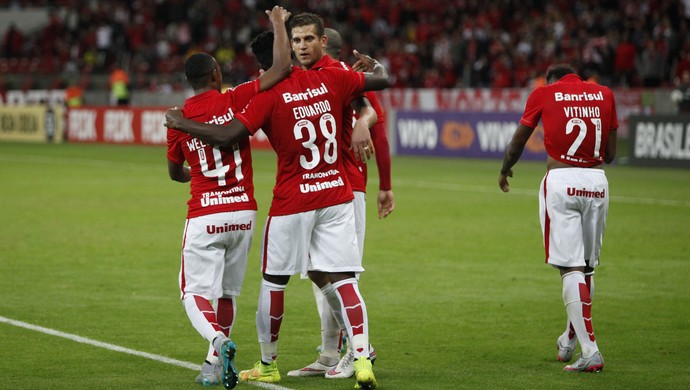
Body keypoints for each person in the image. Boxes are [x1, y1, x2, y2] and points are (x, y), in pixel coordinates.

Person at [164, 12, 390, 390]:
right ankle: (363, 357)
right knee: (344, 279)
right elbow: (379, 82)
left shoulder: (266, 93)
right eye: (296, 41)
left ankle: (268, 363)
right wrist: (375, 68)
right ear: (292, 48)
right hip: (336, 193)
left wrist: (180, 122)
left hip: (292, 199)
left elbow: (229, 134)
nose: (301, 47)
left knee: (274, 283)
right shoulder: (330, 77)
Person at [165, 6, 292, 389]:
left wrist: (197, 172)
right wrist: (278, 25)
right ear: (216, 75)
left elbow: (174, 173)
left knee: (192, 292)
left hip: (205, 213)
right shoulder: (236, 98)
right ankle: (212, 362)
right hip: (244, 214)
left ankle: (217, 342)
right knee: (227, 292)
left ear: (189, 82)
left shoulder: (179, 116)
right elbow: (280, 70)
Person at [286, 26, 395, 380]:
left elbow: (374, 122)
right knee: (316, 272)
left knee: (341, 273)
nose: (300, 47)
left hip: (348, 187)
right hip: (317, 188)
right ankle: (331, 352)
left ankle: (356, 347)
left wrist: (385, 185)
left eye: (307, 41)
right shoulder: (308, 78)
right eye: (296, 42)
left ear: (323, 45)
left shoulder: (342, 76)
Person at [498, 64, 617, 373]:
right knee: (587, 267)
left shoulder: (544, 93)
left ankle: (591, 350)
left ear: (552, 81)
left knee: (570, 268)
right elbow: (612, 152)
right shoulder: (604, 94)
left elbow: (519, 140)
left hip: (562, 181)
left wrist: (505, 167)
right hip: (597, 182)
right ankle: (569, 339)